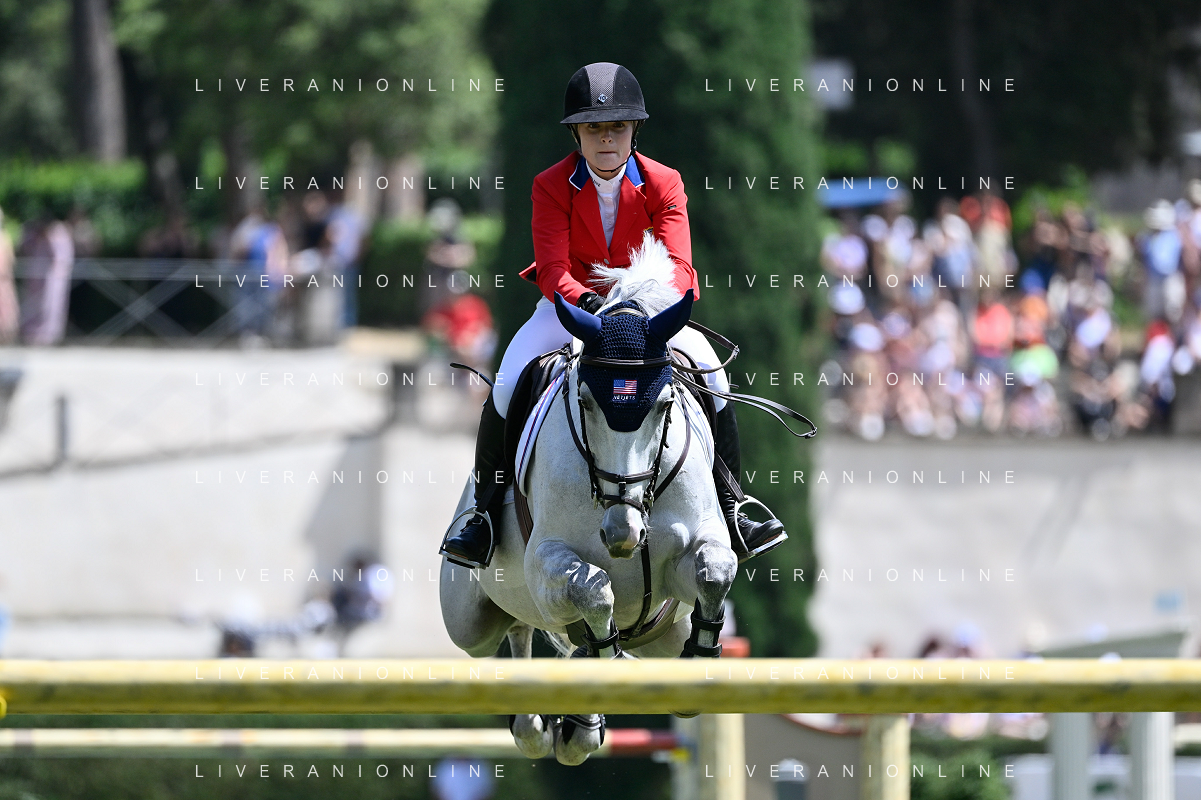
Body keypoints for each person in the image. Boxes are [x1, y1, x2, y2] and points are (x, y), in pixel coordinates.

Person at [441, 62, 786, 568]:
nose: (606, 138)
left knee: (712, 371)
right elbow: (553, 270)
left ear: (634, 130)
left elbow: (680, 265)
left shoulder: (664, 182)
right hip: (571, 310)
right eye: (594, 128)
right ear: (577, 134)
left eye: (617, 127)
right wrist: (593, 305)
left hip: (647, 314)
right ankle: (484, 515)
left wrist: (641, 308)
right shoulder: (550, 185)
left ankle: (735, 507)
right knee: (510, 380)